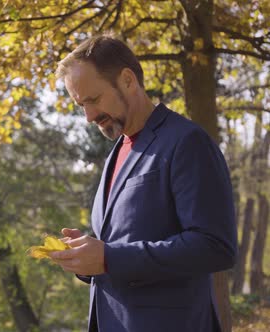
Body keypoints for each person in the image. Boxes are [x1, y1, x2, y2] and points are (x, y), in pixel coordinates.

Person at [49, 34, 237, 332]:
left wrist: (108, 257)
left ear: (127, 80)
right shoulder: (116, 153)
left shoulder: (187, 141)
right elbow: (125, 242)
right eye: (80, 105)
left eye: (93, 99)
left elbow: (215, 246)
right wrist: (87, 258)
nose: (87, 116)